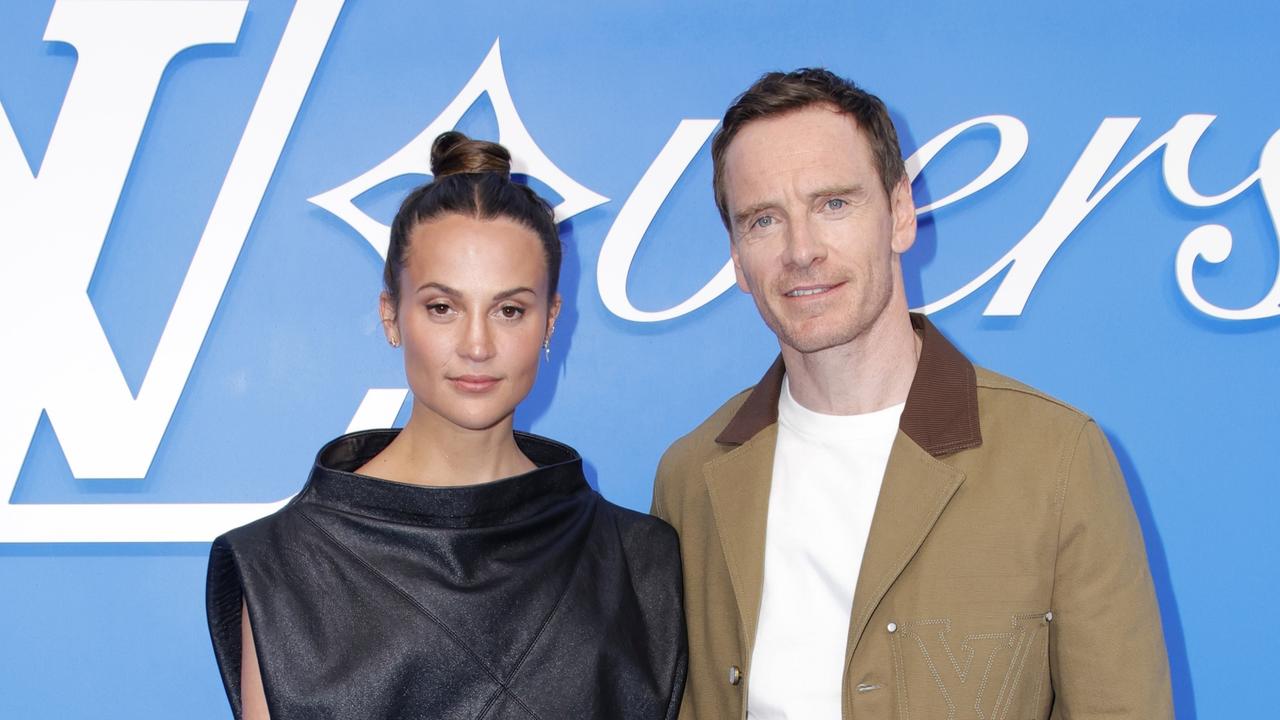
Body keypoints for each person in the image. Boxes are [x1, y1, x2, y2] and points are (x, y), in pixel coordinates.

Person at [651, 69, 1172, 720]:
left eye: (833, 204)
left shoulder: (1058, 460)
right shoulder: (689, 478)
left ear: (900, 213)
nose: (801, 250)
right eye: (763, 220)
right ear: (736, 255)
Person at [207, 131, 686, 719]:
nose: (477, 345)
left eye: (509, 310)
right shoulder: (283, 566)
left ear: (551, 320)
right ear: (391, 315)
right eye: (442, 307)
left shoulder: (640, 564)